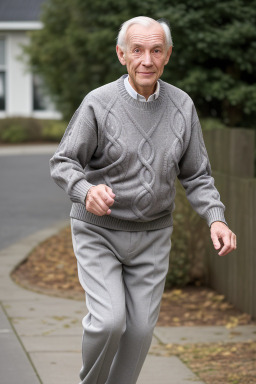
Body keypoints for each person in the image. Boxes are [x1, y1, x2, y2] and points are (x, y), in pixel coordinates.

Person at [49, 16, 237, 384]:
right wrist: (87, 191)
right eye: (137, 50)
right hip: (98, 230)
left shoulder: (182, 106)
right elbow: (63, 161)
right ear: (122, 54)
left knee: (138, 333)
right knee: (108, 322)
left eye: (155, 50)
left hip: (152, 236)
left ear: (168, 56)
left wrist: (217, 217)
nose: (146, 60)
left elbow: (196, 174)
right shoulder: (98, 104)